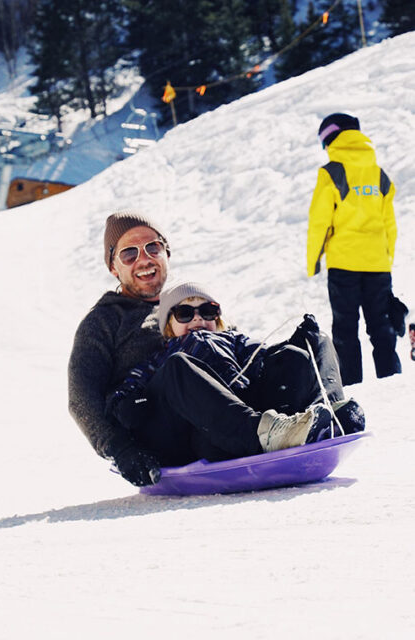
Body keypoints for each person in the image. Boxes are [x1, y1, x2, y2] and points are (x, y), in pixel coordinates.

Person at [107, 281, 364, 475]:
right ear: (167, 326)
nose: (197, 317)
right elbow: (124, 392)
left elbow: (268, 358)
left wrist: (298, 343)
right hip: (202, 434)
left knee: (315, 341)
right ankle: (268, 434)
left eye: (207, 311)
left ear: (218, 319)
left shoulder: (235, 341)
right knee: (177, 367)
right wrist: (129, 403)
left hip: (248, 410)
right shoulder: (160, 359)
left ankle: (327, 415)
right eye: (185, 313)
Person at [68, 210, 170, 486]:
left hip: (219, 416)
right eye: (129, 254)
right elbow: (81, 398)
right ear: (114, 268)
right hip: (160, 432)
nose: (144, 259)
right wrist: (120, 449)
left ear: (166, 253)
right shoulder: (104, 321)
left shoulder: (188, 305)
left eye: (153, 247)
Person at [307, 112, 401, 385]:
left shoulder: (331, 172)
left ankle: (351, 389)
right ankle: (392, 384)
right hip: (377, 265)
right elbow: (389, 225)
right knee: (381, 328)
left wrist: (314, 260)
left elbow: (319, 222)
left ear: (332, 139)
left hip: (344, 264)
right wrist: (386, 258)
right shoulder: (379, 175)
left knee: (346, 330)